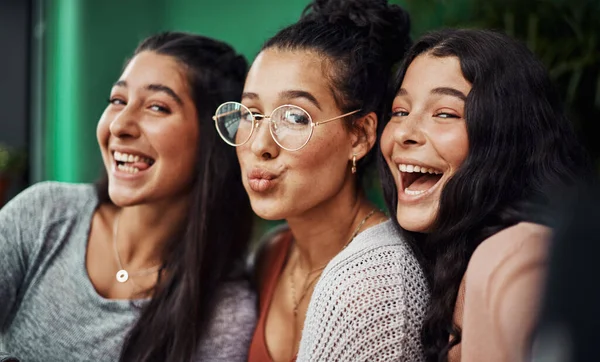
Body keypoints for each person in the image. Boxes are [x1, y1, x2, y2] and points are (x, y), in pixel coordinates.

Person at [0, 32, 256, 362]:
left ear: (214, 139)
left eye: (157, 107)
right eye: (118, 100)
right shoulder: (45, 214)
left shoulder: (225, 313)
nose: (120, 124)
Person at [212, 0, 429, 361]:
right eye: (251, 113)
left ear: (359, 136)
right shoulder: (272, 254)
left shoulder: (378, 283)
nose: (260, 145)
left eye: (295, 117)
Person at [379, 28, 591, 362]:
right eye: (400, 111)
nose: (404, 133)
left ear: (507, 136)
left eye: (445, 114)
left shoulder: (518, 255)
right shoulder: (446, 260)